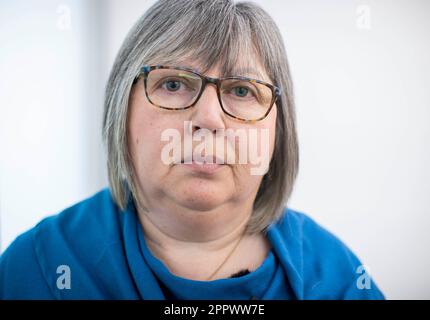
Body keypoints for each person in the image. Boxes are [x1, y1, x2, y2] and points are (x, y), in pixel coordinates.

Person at [0, 0, 384, 299]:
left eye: (240, 90)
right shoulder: (37, 268)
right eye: (173, 84)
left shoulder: (338, 281)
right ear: (122, 111)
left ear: (276, 136)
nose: (209, 119)